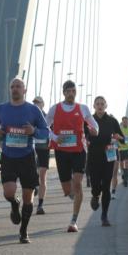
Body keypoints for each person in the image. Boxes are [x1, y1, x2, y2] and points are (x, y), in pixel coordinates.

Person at [0, 78, 50, 243]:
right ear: (10, 90)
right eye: (12, 87)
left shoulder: (33, 110)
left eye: (18, 86)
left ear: (24, 90)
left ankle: (23, 231)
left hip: (27, 157)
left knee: (28, 197)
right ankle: (13, 203)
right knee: (9, 192)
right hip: (8, 156)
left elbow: (46, 131)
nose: (15, 89)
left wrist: (34, 131)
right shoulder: (1, 109)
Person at [46, 80, 100, 233]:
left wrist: (95, 130)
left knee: (77, 184)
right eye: (68, 91)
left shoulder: (82, 108)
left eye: (73, 91)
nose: (71, 94)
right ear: (64, 92)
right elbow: (44, 126)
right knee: (67, 188)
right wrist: (55, 137)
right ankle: (73, 194)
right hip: (61, 151)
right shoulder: (54, 109)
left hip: (79, 151)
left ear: (76, 92)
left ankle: (74, 220)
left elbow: (94, 124)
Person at [86, 97, 126, 227]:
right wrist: (87, 137)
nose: (100, 106)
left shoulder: (112, 121)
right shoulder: (88, 120)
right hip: (93, 155)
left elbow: (123, 139)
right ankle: (95, 195)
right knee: (96, 184)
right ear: (94, 106)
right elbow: (83, 135)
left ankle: (104, 216)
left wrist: (119, 137)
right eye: (97, 104)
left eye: (102, 104)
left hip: (108, 156)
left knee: (106, 186)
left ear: (106, 105)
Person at [31, 96, 51, 214]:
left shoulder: (48, 117)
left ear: (42, 104)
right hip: (32, 149)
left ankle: (40, 205)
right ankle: (35, 187)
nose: (35, 104)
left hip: (44, 149)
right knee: (33, 175)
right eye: (34, 103)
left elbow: (52, 132)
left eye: (38, 103)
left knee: (42, 176)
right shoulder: (29, 116)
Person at [115, 116, 128, 189]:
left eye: (127, 121)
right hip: (120, 149)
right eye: (124, 121)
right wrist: (117, 146)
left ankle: (125, 179)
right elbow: (116, 138)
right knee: (121, 164)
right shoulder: (120, 130)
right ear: (122, 122)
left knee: (126, 162)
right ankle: (124, 174)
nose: (125, 122)